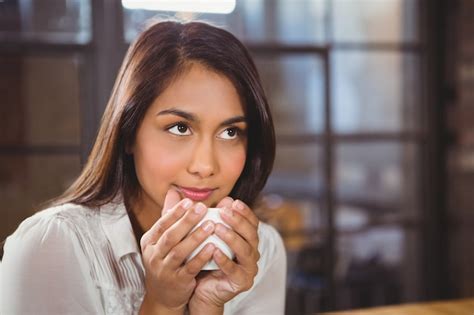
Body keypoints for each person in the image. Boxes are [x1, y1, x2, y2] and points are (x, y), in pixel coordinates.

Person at [0, 20, 286, 314]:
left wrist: (209, 306)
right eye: (179, 127)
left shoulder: (261, 250)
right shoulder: (52, 246)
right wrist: (161, 304)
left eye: (230, 132)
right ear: (129, 133)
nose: (205, 166)